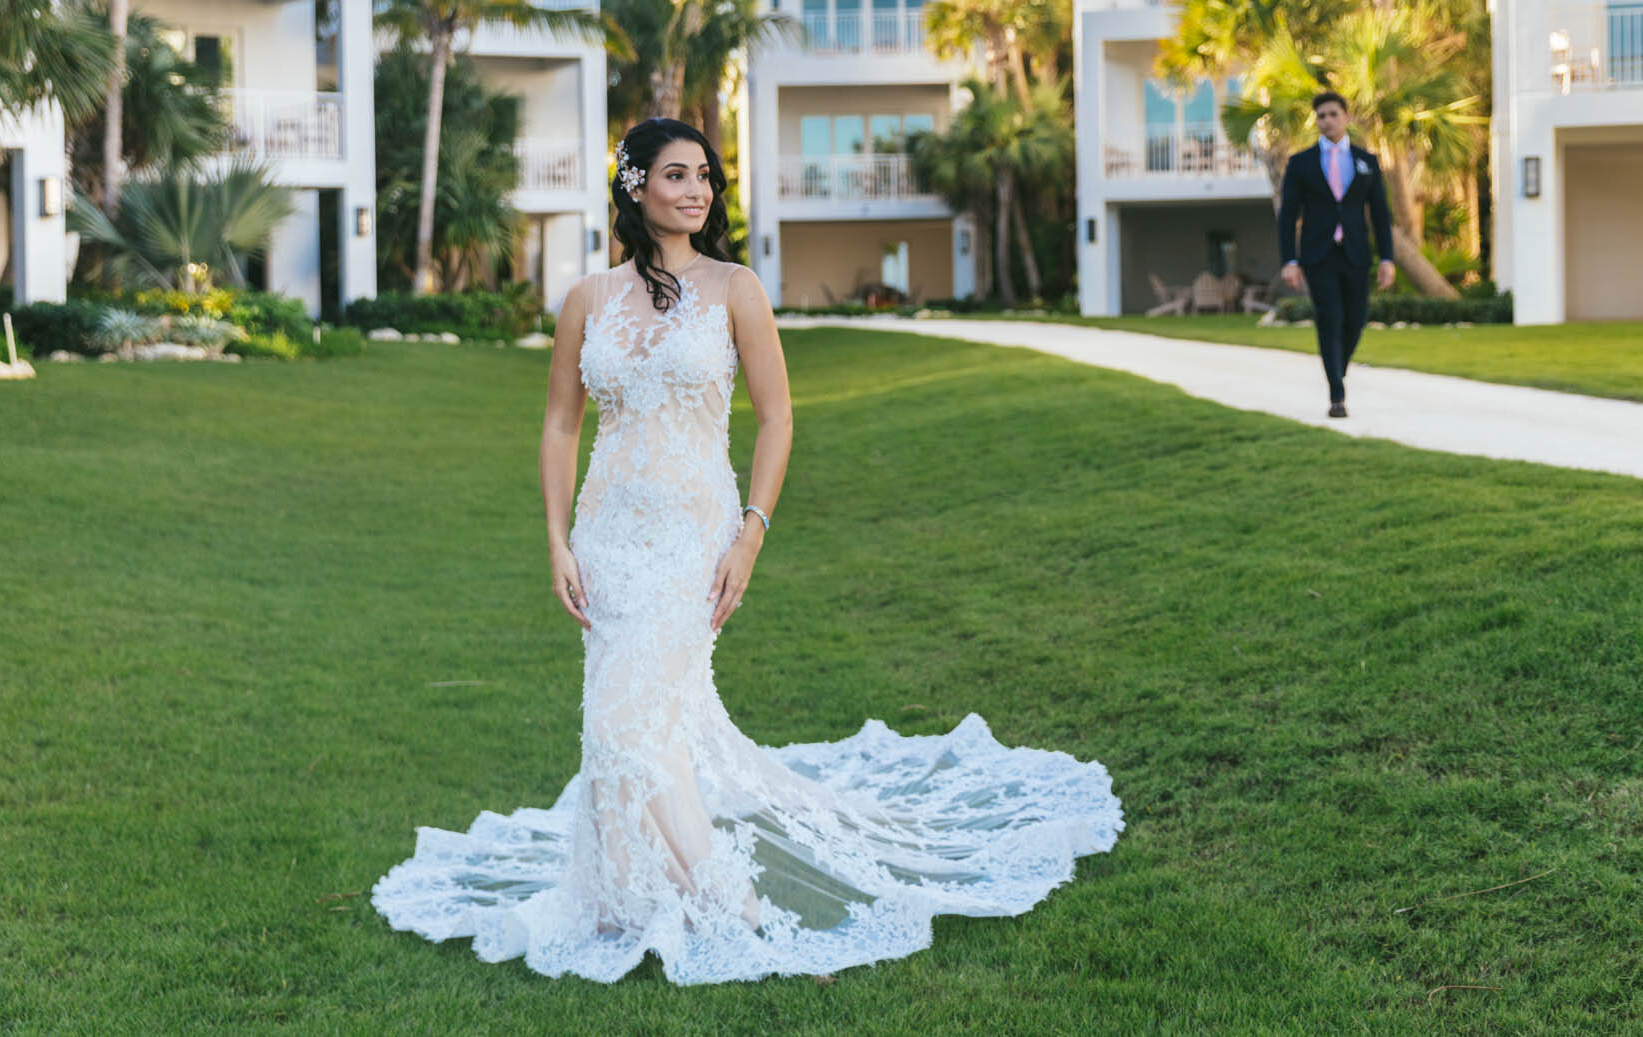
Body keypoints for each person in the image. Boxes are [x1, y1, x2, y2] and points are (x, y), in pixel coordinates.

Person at [372, 118, 1122, 986]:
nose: (697, 191)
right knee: (635, 717)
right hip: (608, 534)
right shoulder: (585, 300)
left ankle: (739, 909)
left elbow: (777, 418)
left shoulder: (734, 288)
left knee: (630, 718)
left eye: (707, 177)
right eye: (677, 174)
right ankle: (623, 892)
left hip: (698, 532)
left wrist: (751, 531)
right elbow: (558, 423)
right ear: (635, 187)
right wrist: (553, 538)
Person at [1276, 92, 1396, 418]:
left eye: (1332, 114)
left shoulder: (1366, 162)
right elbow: (1288, 215)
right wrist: (1290, 260)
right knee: (1330, 319)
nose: (1326, 120)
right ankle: (1336, 395)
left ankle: (1337, 369)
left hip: (1356, 254)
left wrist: (1387, 258)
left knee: (1355, 321)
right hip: (1318, 255)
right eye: (1321, 116)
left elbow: (1381, 215)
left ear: (1346, 117)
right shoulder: (1300, 163)